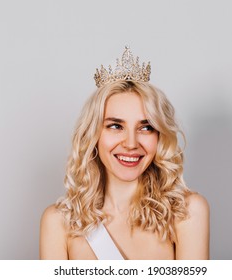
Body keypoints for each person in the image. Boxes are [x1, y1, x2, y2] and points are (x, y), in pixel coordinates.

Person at [39, 47, 209, 260]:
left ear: (159, 136)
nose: (131, 143)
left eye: (145, 127)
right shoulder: (60, 222)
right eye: (115, 126)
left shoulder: (186, 212)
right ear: (93, 135)